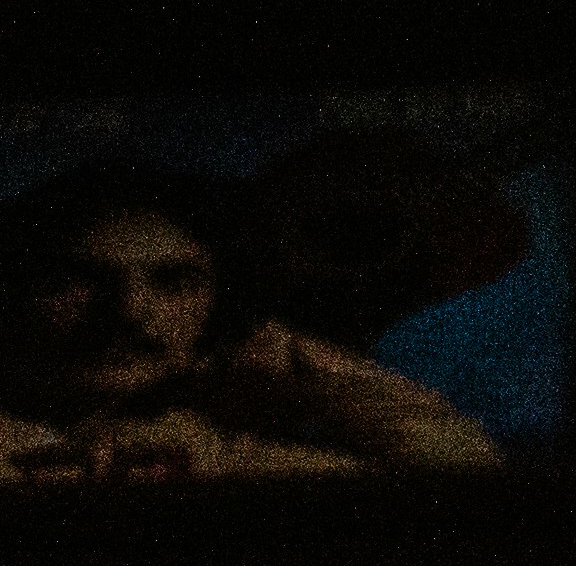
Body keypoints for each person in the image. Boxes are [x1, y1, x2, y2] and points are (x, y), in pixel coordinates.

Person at [0, 163, 501, 482]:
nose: (129, 309)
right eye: (77, 280)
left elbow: (464, 471)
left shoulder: (238, 451)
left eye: (174, 282)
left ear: (220, 304)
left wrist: (313, 377)